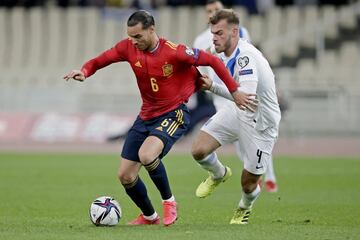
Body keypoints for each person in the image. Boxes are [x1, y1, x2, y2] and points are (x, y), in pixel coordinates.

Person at [64, 10, 255, 226]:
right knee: (125, 176)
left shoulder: (175, 52)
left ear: (151, 29)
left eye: (138, 36)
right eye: (130, 36)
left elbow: (212, 60)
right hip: (146, 116)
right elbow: (101, 60)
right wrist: (85, 71)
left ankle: (170, 202)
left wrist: (235, 90)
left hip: (175, 114)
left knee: (147, 155)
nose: (133, 41)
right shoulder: (128, 47)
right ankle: (149, 217)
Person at [191, 9, 281, 224]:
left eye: (219, 33)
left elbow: (245, 98)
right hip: (236, 111)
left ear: (235, 32)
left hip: (261, 122)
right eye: (213, 33)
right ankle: (219, 173)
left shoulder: (246, 56)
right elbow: (204, 53)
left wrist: (211, 86)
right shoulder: (221, 46)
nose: (214, 37)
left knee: (248, 183)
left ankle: (245, 207)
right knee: (199, 150)